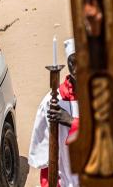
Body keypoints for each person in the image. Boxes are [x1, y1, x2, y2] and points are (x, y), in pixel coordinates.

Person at [29, 39, 79, 187]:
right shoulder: (52, 103)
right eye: (72, 62)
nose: (77, 68)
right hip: (66, 180)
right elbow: (45, 155)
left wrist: (72, 122)